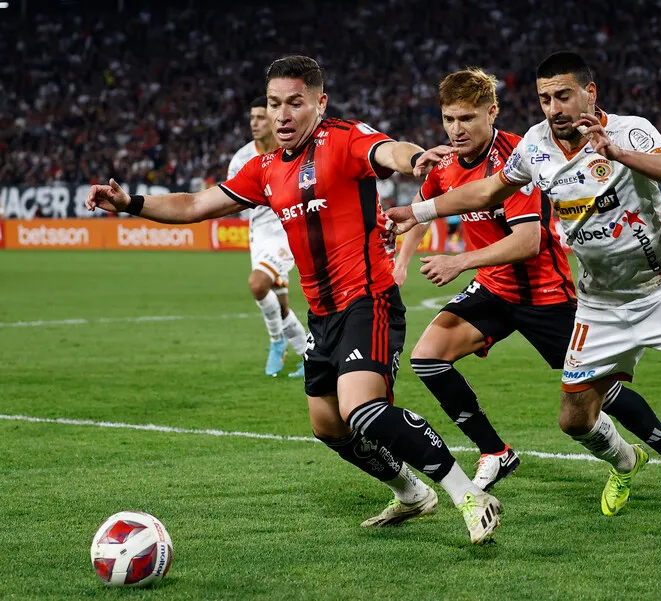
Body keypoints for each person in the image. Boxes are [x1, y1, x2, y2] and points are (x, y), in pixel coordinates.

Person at [387, 51, 661, 548]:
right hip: (600, 304)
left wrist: (616, 153)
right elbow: (488, 191)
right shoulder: (534, 145)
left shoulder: (630, 130)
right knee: (573, 419)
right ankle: (624, 461)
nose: (554, 107)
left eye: (564, 95)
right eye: (545, 98)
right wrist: (417, 210)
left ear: (589, 93)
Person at [86, 55, 502, 544]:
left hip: (369, 300)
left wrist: (414, 161)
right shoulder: (264, 170)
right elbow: (195, 205)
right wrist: (130, 204)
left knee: (361, 408)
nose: (282, 115)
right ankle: (411, 493)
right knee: (328, 426)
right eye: (274, 104)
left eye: (294, 104)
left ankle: (468, 495)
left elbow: (389, 151)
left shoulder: (343, 139)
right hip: (322, 314)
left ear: (319, 104)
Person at [393, 68, 661, 499]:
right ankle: (495, 451)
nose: (456, 130)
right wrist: (401, 262)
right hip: (495, 290)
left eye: (467, 119)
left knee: (603, 391)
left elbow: (528, 241)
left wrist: (461, 261)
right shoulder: (446, 165)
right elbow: (424, 209)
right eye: (449, 120)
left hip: (544, 294)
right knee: (428, 358)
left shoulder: (520, 155)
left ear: (492, 112)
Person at [228, 96, 306, 377]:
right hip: (259, 233)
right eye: (252, 118)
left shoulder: (295, 151)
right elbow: (233, 201)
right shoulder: (241, 159)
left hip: (289, 229)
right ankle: (308, 353)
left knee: (258, 284)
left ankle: (276, 342)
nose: (255, 123)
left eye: (261, 117)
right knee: (279, 301)